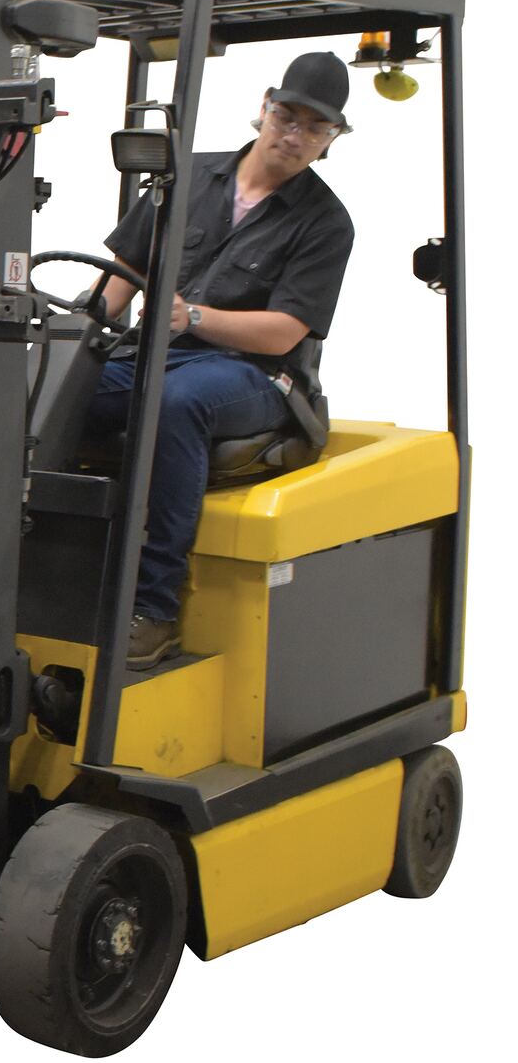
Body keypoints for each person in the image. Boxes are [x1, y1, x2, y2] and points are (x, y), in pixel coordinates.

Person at [88, 52, 356, 671]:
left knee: (177, 403)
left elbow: (284, 332)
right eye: (287, 117)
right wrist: (69, 337)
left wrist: (195, 318)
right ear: (264, 107)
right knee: (46, 388)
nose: (294, 135)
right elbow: (123, 274)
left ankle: (154, 608)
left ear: (331, 139)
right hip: (158, 354)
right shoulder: (187, 177)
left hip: (256, 375)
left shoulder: (326, 222)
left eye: (314, 128)